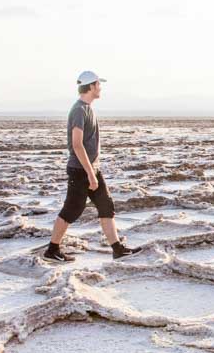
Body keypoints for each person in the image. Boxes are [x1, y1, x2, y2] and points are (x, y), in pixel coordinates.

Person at [44, 70, 142, 262]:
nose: (100, 87)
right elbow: (77, 144)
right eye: (98, 84)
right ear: (91, 86)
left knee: (106, 205)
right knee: (72, 209)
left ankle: (117, 249)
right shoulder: (79, 110)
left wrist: (93, 170)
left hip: (91, 168)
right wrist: (90, 174)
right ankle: (52, 250)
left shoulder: (87, 108)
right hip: (80, 169)